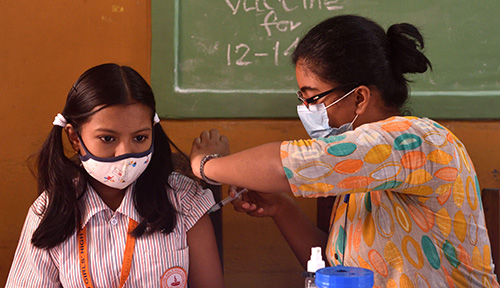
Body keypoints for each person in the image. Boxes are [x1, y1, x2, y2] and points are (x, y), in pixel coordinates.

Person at [190, 15, 499, 287]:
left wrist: (205, 164)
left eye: (313, 98)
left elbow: (291, 164)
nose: (306, 110)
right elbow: (339, 275)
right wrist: (281, 209)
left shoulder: (414, 141)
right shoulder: (363, 166)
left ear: (360, 98)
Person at [6, 63, 224, 288]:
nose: (125, 153)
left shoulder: (184, 201)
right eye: (108, 138)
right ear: (74, 138)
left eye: (139, 138)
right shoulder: (48, 212)